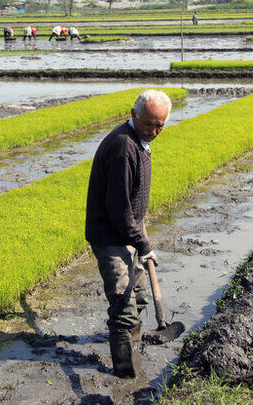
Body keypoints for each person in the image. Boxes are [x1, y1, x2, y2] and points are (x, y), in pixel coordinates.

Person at [85, 89, 172, 379]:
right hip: (111, 237)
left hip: (129, 230)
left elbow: (131, 205)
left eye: (160, 125)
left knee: (139, 296)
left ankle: (134, 349)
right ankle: (125, 375)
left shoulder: (140, 142)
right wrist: (144, 244)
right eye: (148, 123)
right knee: (123, 305)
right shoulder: (124, 147)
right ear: (134, 115)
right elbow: (119, 209)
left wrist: (139, 232)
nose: (154, 130)